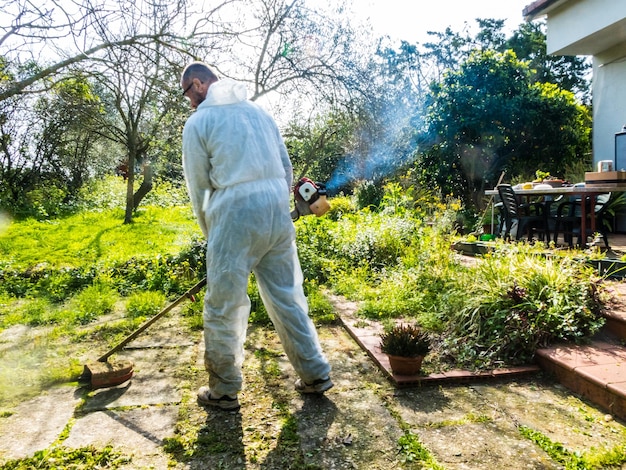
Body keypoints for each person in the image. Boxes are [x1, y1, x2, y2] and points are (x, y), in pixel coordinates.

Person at [180, 61, 333, 411]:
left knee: (224, 304)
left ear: (200, 84)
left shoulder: (199, 121)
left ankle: (223, 389)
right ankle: (315, 373)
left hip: (232, 216)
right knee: (288, 296)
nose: (188, 102)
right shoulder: (260, 114)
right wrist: (279, 207)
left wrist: (212, 235)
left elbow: (198, 186)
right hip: (276, 214)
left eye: (188, 93)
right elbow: (286, 168)